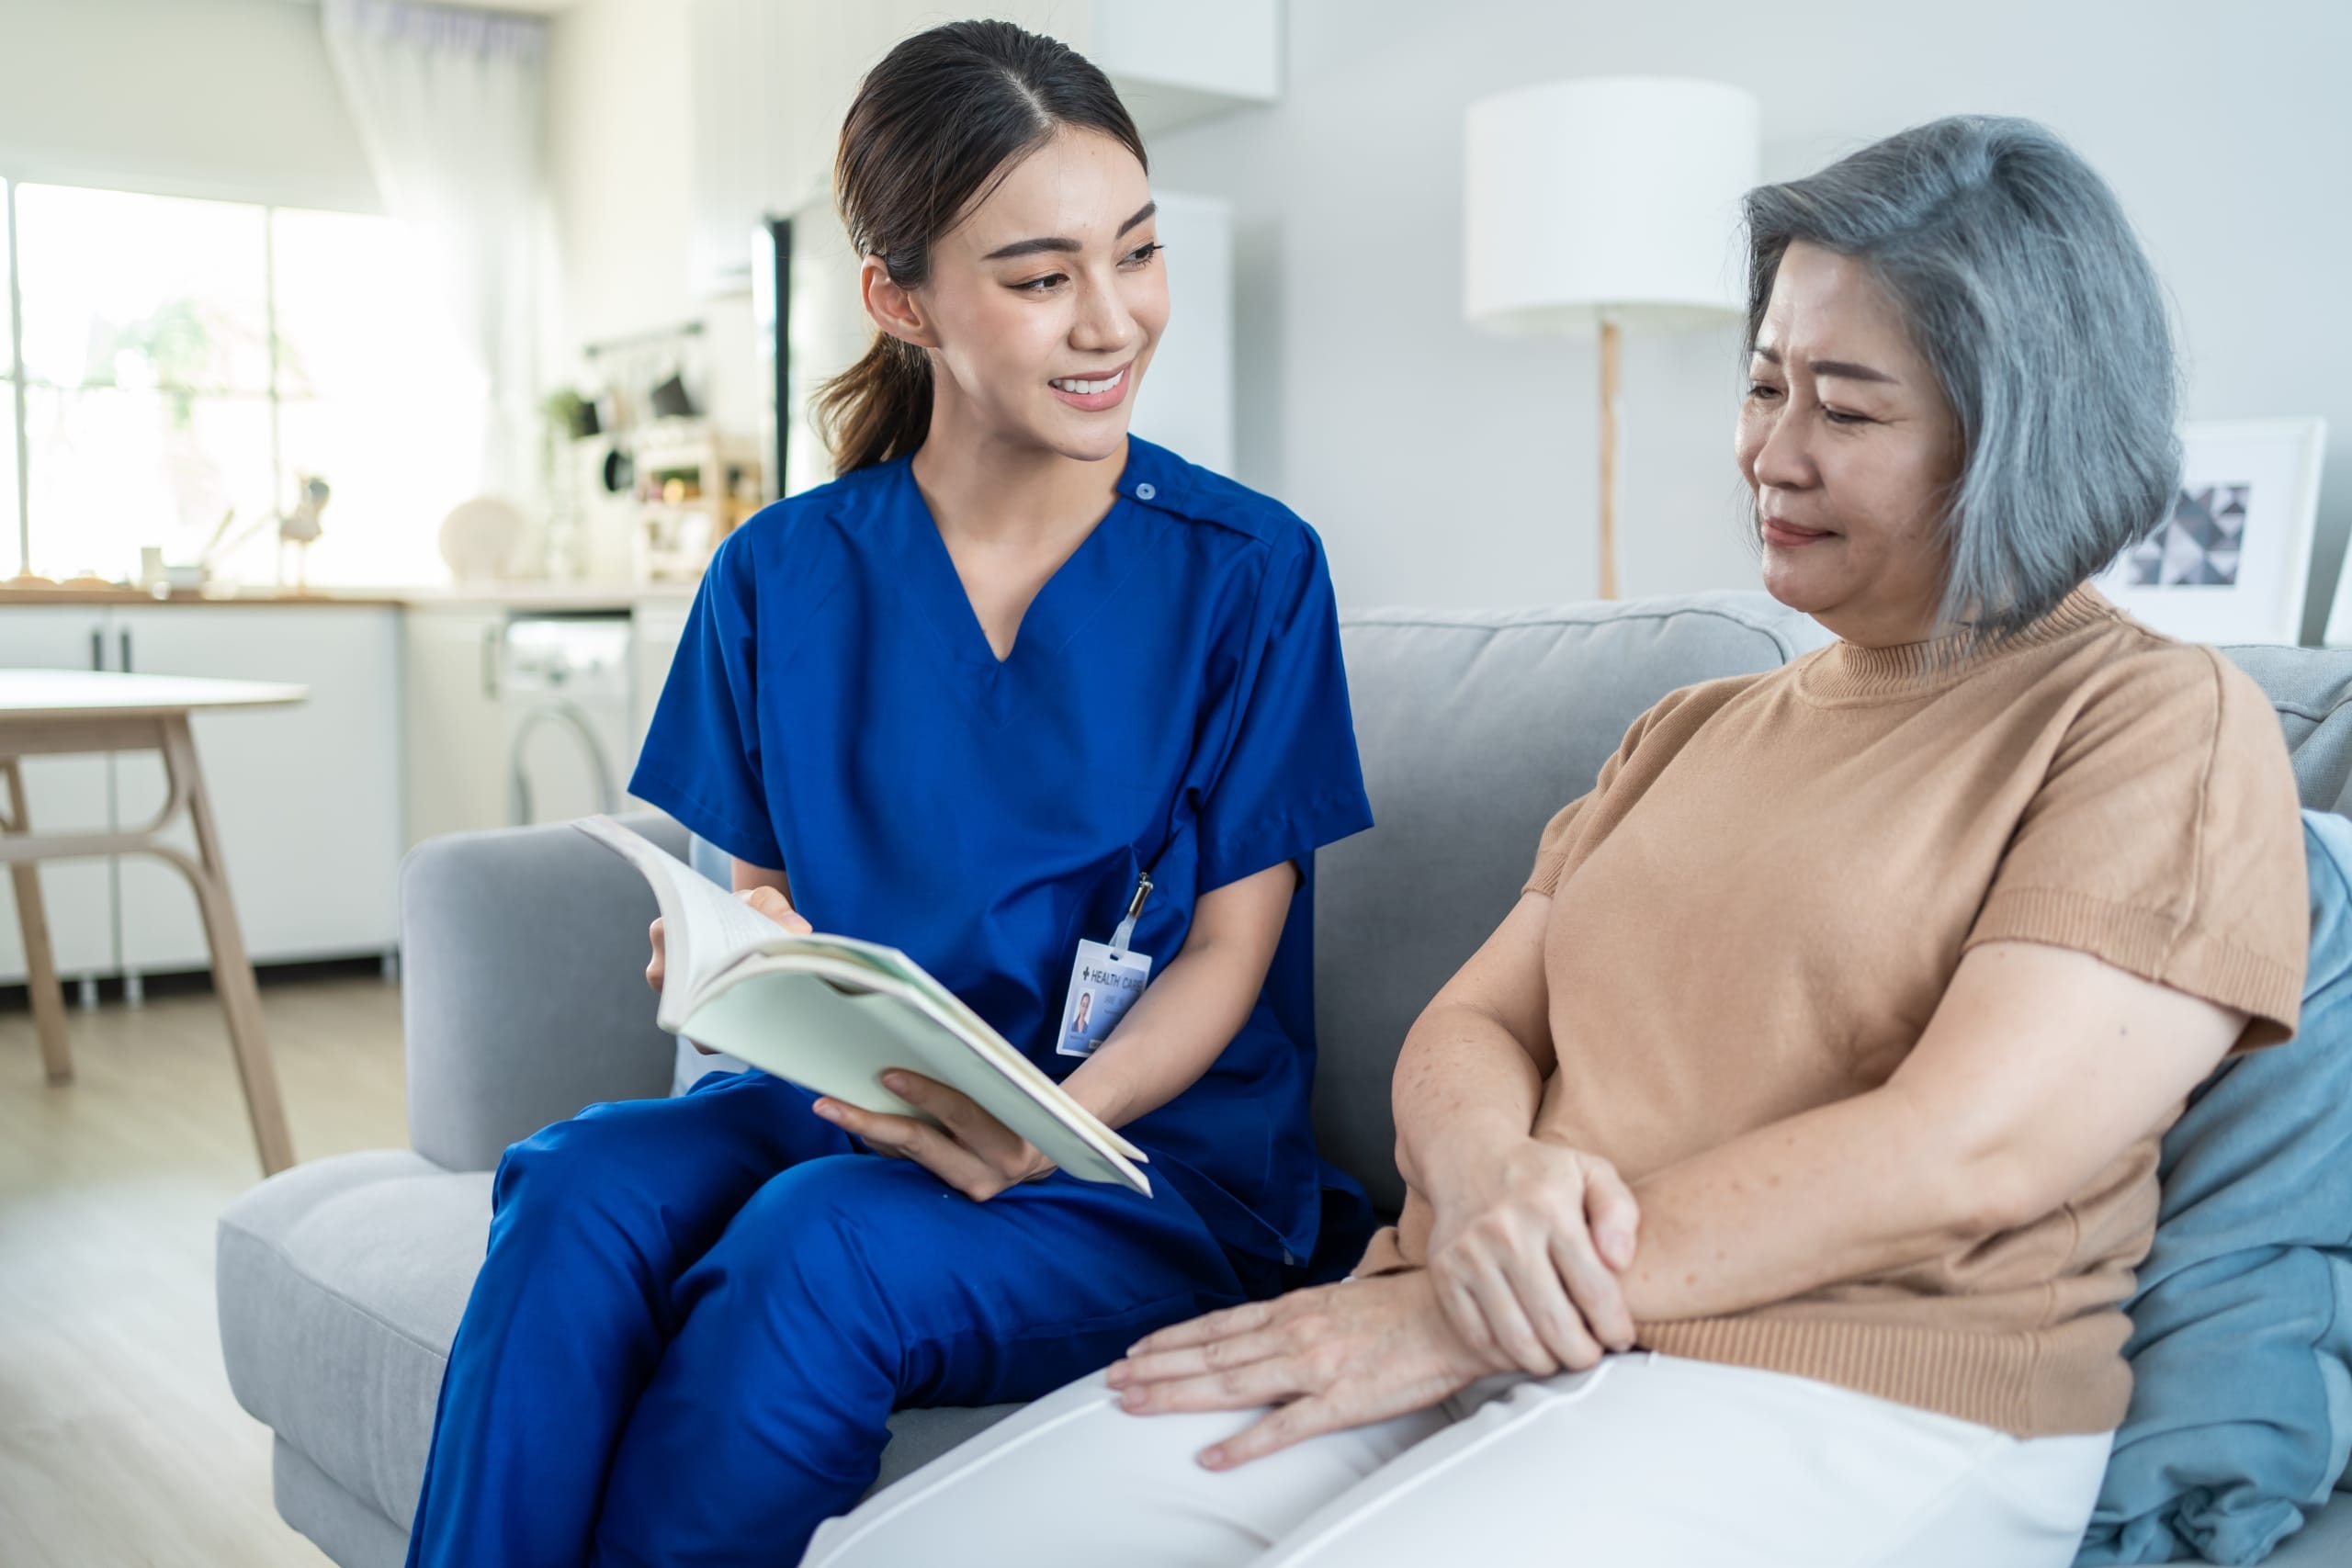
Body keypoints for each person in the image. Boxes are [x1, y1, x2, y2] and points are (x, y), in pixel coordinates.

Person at [802, 116, 2310, 1568]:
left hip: (1853, 1387)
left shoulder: (2152, 722)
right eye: (1765, 385)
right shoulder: (1694, 725)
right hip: (1487, 1310)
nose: (1769, 454)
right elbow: (1474, 1020)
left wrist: (1468, 1307)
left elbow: (1968, 1147)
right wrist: (1479, 1185)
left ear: (2017, 441)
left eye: (1844, 409)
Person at [401, 21, 1373, 1568]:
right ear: (900, 299)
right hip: (834, 1108)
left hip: (1135, 1161)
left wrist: (1043, 1130)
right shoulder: (777, 576)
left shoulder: (1253, 573)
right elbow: (763, 888)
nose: (1112, 319)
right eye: (1042, 276)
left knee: (818, 1250)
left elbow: (1227, 956)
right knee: (579, 1184)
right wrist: (740, 956)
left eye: (1137, 253)